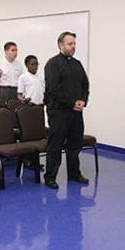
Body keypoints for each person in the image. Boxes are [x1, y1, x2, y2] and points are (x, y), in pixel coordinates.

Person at [43, 31, 90, 189]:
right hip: (59, 112)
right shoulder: (52, 64)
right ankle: (50, 176)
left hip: (76, 112)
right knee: (55, 145)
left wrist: (83, 101)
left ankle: (74, 174)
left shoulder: (77, 64)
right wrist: (72, 103)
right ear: (61, 45)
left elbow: (85, 84)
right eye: (70, 44)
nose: (73, 46)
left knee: (75, 144)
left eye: (74, 43)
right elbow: (53, 90)